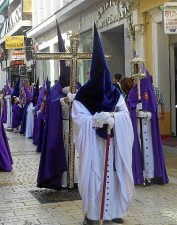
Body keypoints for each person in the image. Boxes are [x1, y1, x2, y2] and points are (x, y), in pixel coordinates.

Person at [72, 24, 134, 225]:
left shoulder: (114, 93)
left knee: (114, 177)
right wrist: (97, 119)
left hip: (113, 145)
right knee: (94, 177)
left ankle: (112, 212)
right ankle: (92, 214)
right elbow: (79, 120)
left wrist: (113, 118)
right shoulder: (83, 95)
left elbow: (124, 115)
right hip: (94, 147)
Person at [37, 21, 77, 190]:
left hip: (76, 127)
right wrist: (62, 100)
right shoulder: (55, 89)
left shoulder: (78, 86)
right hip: (60, 128)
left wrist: (75, 96)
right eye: (65, 79)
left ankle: (74, 179)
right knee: (62, 152)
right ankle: (60, 180)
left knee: (76, 154)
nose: (68, 81)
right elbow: (51, 105)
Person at [127, 70, 169, 186]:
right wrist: (135, 111)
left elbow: (154, 111)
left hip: (149, 129)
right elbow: (129, 108)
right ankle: (140, 175)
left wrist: (147, 114)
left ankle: (150, 175)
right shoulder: (132, 93)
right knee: (139, 147)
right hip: (138, 128)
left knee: (150, 149)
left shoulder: (151, 93)